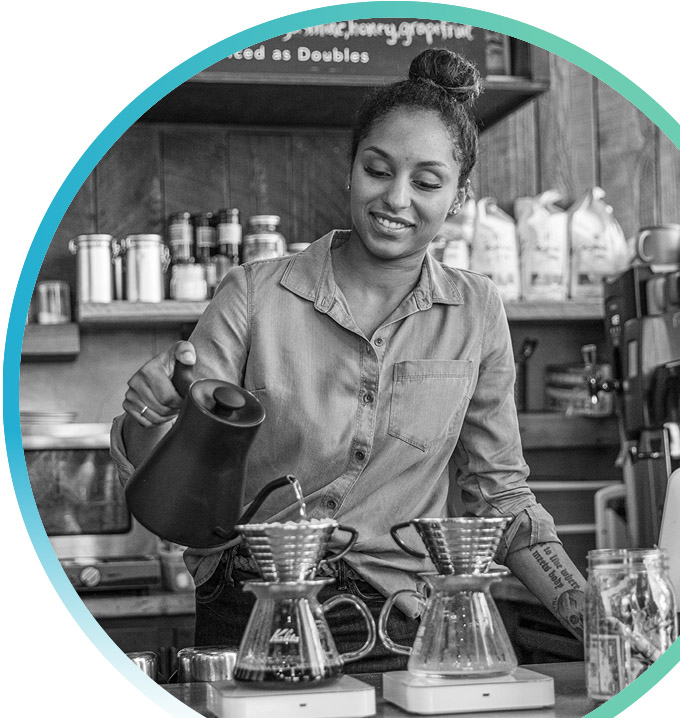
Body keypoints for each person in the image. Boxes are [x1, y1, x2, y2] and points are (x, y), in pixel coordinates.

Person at [111, 47, 587, 673]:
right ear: (351, 168)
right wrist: (151, 417)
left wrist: (593, 617)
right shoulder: (255, 293)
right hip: (254, 611)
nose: (395, 198)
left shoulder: (476, 311)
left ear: (459, 196)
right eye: (377, 169)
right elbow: (183, 489)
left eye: (426, 181)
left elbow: (501, 497)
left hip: (398, 625)